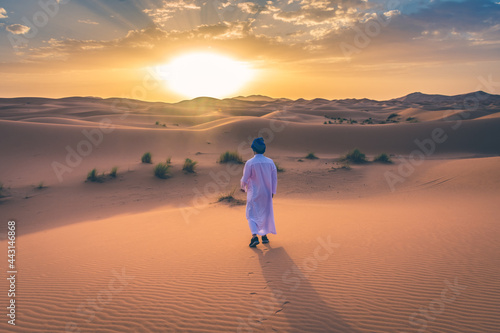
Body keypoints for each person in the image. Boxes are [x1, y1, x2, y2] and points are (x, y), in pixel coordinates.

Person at [240, 137, 277, 247]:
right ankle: (264, 236)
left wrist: (243, 187)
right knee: (264, 213)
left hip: (254, 193)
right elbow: (274, 178)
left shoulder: (250, 163)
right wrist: (272, 192)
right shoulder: (270, 162)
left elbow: (245, 178)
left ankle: (255, 237)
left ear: (253, 149)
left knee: (251, 215)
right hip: (266, 193)